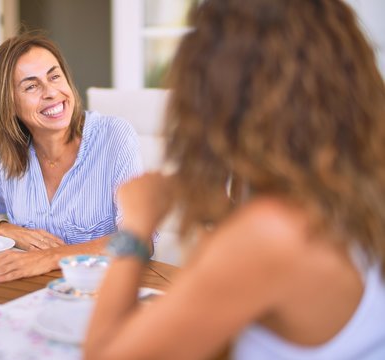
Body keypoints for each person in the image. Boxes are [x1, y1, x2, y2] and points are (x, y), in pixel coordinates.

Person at [85, 0, 385, 359]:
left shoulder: (272, 231)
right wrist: (223, 215)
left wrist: (134, 228)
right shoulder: (361, 186)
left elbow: (105, 354)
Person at [0, 32, 144, 282]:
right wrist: (6, 230)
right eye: (31, 86)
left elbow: (138, 238)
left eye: (54, 76)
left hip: (104, 293)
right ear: (9, 105)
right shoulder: (8, 154)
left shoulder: (114, 137)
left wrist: (49, 257)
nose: (51, 92)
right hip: (29, 293)